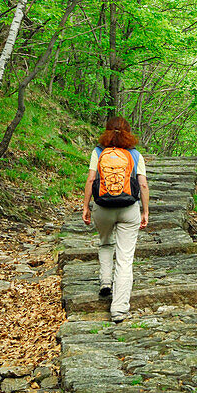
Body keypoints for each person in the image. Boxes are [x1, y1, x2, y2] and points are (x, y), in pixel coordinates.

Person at [82, 116, 149, 323]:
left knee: (104, 243)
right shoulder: (135, 154)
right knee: (125, 259)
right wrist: (145, 210)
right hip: (129, 208)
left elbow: (91, 179)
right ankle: (119, 309)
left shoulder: (98, 152)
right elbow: (143, 184)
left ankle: (105, 281)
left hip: (102, 207)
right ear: (128, 132)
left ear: (107, 131)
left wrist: (86, 206)